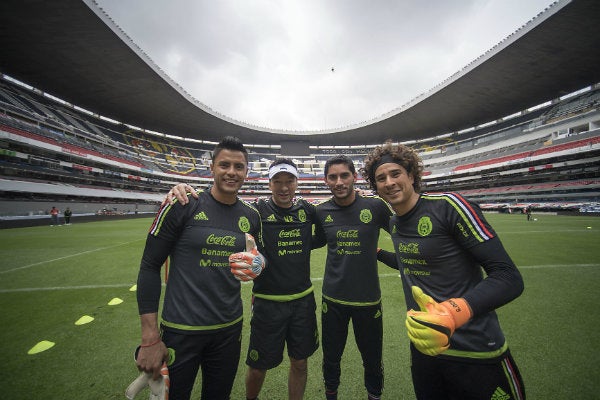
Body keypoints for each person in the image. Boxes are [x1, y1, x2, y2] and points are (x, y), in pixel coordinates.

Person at [362, 143, 526, 400]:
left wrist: (453, 312)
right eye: (380, 178)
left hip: (476, 350)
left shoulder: (449, 206)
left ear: (412, 175)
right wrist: (379, 254)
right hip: (425, 350)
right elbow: (411, 262)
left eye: (395, 174)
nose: (389, 182)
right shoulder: (394, 223)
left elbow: (508, 276)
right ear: (376, 188)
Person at [167, 159, 320, 400]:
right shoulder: (255, 210)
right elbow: (224, 207)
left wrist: (360, 193)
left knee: (300, 362)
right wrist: (180, 188)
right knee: (258, 366)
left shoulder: (307, 210)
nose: (283, 188)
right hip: (268, 302)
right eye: (277, 182)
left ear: (296, 183)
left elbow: (328, 225)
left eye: (289, 181)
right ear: (269, 184)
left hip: (303, 300)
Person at [135, 136, 266, 400]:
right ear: (212, 168)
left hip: (229, 330)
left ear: (246, 172)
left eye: (238, 167)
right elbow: (149, 265)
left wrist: (259, 264)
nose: (231, 172)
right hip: (181, 330)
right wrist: (149, 337)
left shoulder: (251, 216)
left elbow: (259, 257)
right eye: (224, 165)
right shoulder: (183, 204)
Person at [312, 155, 394, 400]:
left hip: (368, 301)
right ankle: (331, 394)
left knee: (372, 359)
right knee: (331, 358)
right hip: (333, 299)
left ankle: (374, 394)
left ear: (354, 177)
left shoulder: (376, 207)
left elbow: (404, 236)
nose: (339, 181)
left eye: (344, 175)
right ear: (326, 181)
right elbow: (313, 241)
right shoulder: (321, 211)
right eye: (333, 177)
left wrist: (379, 253)